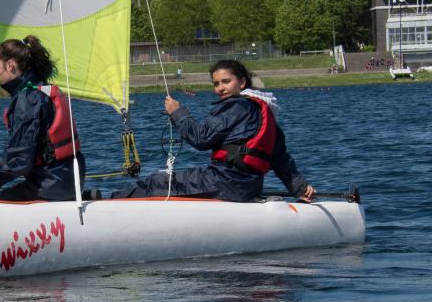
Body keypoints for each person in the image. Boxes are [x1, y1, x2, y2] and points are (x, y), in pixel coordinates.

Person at [115, 59, 316, 203]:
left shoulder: (235, 106)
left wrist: (177, 113)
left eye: (226, 82)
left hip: (223, 183)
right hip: (248, 187)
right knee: (163, 181)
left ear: (242, 82)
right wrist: (299, 188)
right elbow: (280, 158)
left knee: (156, 182)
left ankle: (109, 205)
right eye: (216, 84)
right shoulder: (265, 112)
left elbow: (201, 139)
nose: (220, 88)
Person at [0, 36, 85, 201]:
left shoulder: (28, 99)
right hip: (66, 180)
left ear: (10, 65)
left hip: (50, 185)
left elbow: (21, 159)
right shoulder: (41, 88)